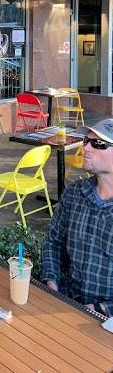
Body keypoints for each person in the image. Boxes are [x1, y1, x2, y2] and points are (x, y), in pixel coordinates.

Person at [41, 119, 113, 315]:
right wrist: (52, 284)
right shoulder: (74, 193)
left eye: (98, 143)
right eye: (86, 141)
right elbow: (53, 242)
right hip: (66, 301)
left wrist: (99, 309)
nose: (86, 148)